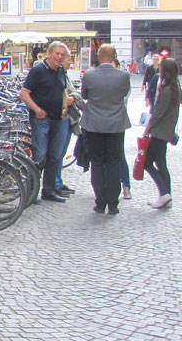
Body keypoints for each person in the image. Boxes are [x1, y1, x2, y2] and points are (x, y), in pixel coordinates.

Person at [80, 44, 132, 215]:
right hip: (115, 125)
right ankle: (113, 203)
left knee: (97, 163)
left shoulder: (89, 76)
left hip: (94, 124)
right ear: (114, 56)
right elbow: (123, 94)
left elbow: (85, 95)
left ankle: (100, 202)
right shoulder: (123, 76)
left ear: (99, 56)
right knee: (113, 163)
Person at [19, 41, 70, 203]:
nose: (60, 57)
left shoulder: (61, 71)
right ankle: (31, 191)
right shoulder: (38, 71)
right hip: (42, 119)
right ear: (49, 53)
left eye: (63, 54)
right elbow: (24, 93)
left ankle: (49, 190)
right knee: (39, 156)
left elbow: (63, 91)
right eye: (57, 54)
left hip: (58, 119)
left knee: (55, 156)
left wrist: (64, 108)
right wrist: (37, 110)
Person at [142, 57, 180, 210]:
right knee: (160, 163)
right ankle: (166, 195)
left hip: (160, 132)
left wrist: (147, 129)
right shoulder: (175, 86)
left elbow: (158, 113)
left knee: (148, 163)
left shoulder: (168, 90)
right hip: (165, 131)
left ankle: (165, 194)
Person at [54, 47, 77, 196]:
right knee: (57, 152)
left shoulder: (65, 75)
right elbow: (67, 99)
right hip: (62, 117)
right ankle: (55, 183)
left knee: (61, 152)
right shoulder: (60, 76)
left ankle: (58, 181)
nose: (71, 62)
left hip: (67, 118)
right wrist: (75, 96)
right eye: (69, 59)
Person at [113, 58, 132, 199]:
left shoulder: (123, 80)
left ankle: (126, 185)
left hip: (118, 122)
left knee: (120, 154)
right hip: (104, 123)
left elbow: (122, 99)